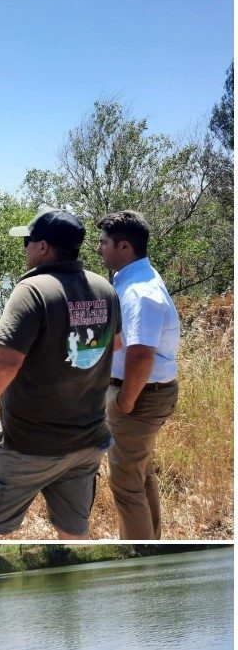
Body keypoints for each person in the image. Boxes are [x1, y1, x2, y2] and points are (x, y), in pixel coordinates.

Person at [0, 209, 120, 541]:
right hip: (87, 441)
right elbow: (115, 346)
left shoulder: (33, 289)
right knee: (73, 534)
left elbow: (4, 363)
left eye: (27, 241)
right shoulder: (103, 288)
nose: (25, 249)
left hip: (26, 447)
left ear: (43, 248)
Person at [96, 210, 181, 541]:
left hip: (139, 396)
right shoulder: (134, 281)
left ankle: (141, 551)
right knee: (139, 475)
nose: (99, 249)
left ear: (125, 247)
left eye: (104, 243)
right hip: (142, 393)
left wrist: (124, 402)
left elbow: (142, 354)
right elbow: (124, 339)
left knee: (125, 485)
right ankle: (151, 540)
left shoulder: (139, 293)